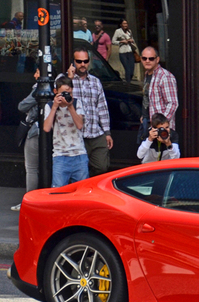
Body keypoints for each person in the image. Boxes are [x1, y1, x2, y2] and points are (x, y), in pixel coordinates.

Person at [65, 47, 113, 177]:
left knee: (102, 167)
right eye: (79, 61)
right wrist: (69, 79)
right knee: (78, 171)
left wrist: (107, 132)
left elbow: (102, 108)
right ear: (73, 62)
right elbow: (60, 100)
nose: (82, 64)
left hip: (95, 133)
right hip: (75, 135)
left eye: (85, 61)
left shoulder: (95, 81)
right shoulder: (65, 80)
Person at [43, 76, 88, 188]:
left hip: (79, 155)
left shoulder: (77, 103)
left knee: (82, 192)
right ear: (55, 92)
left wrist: (70, 106)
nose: (66, 96)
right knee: (58, 193)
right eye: (63, 93)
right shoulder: (49, 106)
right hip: (60, 156)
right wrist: (54, 106)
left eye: (69, 93)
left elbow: (80, 125)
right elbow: (46, 128)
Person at [12, 70, 42, 211]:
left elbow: (22, 106)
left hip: (34, 130)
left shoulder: (38, 87)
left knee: (31, 168)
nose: (34, 75)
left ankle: (29, 201)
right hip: (47, 131)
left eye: (37, 72)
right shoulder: (56, 86)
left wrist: (24, 102)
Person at [137, 46, 179, 145]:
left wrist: (161, 126)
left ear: (157, 59)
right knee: (145, 157)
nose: (147, 61)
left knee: (162, 158)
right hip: (147, 123)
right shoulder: (147, 75)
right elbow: (148, 99)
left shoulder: (165, 77)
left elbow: (173, 103)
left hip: (160, 129)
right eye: (144, 58)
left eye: (151, 58)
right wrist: (144, 117)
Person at [112, 19, 137, 83]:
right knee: (127, 69)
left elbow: (133, 40)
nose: (125, 25)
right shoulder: (118, 31)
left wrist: (131, 40)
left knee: (131, 70)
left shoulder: (129, 31)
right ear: (121, 25)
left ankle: (129, 81)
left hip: (130, 51)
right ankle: (128, 84)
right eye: (124, 23)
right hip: (123, 53)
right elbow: (113, 41)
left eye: (126, 23)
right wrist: (121, 41)